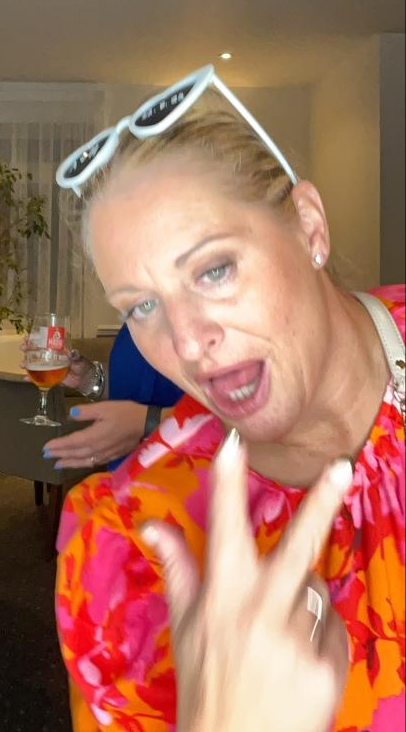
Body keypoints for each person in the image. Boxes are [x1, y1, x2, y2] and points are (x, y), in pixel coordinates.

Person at [53, 64, 405, 731]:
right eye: (142, 306)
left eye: (213, 269)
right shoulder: (134, 545)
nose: (187, 342)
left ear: (309, 228)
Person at [42, 323, 183, 470]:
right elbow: (136, 388)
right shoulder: (136, 319)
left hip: (180, 474)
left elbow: (200, 413)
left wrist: (145, 423)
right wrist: (89, 379)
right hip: (126, 474)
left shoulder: (193, 321)